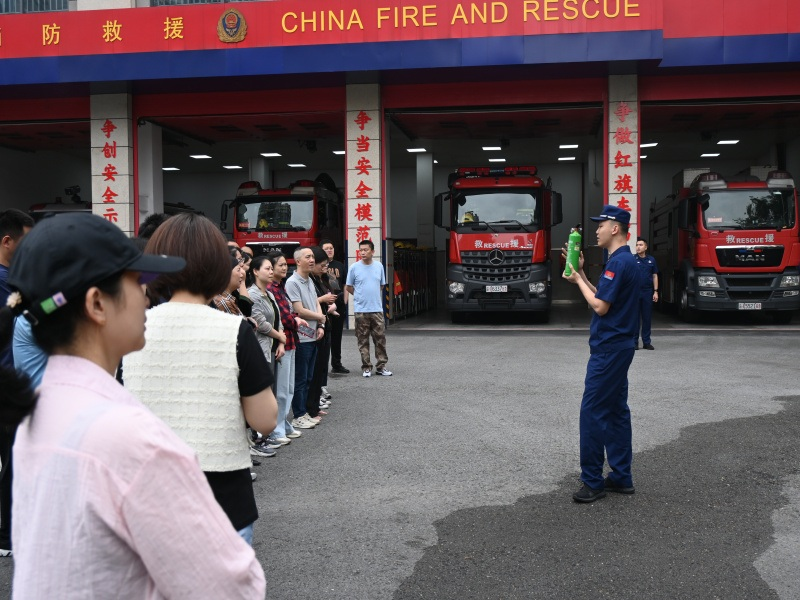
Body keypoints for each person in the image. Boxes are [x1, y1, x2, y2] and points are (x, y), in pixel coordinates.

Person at [0, 212, 267, 597]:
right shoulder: (128, 436)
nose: (146, 293)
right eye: (136, 281)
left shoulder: (39, 410)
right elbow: (228, 584)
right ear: (97, 304)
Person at [124, 213, 278, 545]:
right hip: (221, 496)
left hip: (147, 494)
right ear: (217, 265)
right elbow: (265, 420)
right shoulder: (234, 329)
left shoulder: (132, 326)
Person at [562, 205, 640, 503]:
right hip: (619, 347)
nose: (596, 230)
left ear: (615, 228)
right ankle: (621, 477)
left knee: (592, 411)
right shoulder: (622, 261)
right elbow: (603, 295)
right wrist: (581, 272)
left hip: (609, 349)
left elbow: (600, 307)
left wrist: (577, 280)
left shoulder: (618, 264)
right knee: (617, 411)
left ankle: (593, 482)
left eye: (601, 225)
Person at [0, 209, 33, 559]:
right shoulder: (7, 283)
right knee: (12, 462)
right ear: (7, 241)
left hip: (14, 379)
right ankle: (8, 533)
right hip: (10, 382)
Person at [266, 251, 308, 442]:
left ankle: (283, 423)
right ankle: (276, 429)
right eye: (279, 265)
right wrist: (295, 319)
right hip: (281, 342)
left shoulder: (280, 286)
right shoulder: (271, 288)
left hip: (290, 341)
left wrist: (294, 318)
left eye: (285, 264)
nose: (284, 268)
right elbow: (284, 316)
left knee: (288, 388)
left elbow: (287, 312)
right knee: (281, 390)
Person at [285, 247, 326, 430]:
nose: (312, 260)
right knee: (300, 379)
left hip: (313, 334)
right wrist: (320, 317)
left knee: (309, 377)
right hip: (301, 337)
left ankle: (306, 412)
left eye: (312, 257)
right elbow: (299, 310)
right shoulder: (292, 282)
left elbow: (316, 301)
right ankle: (298, 415)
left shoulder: (309, 279)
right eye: (307, 257)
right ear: (298, 261)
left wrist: (321, 323)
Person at [345, 239, 391, 377]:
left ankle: (381, 366)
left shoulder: (379, 266)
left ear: (373, 252)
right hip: (361, 311)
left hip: (377, 309)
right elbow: (348, 287)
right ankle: (366, 366)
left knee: (380, 339)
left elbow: (382, 286)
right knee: (362, 339)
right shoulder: (354, 267)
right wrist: (359, 296)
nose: (363, 252)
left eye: (366, 250)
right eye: (361, 250)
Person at [307, 246, 338, 419]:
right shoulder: (306, 281)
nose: (325, 267)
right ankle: (311, 405)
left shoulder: (321, 279)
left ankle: (316, 400)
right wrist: (324, 300)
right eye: (322, 264)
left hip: (325, 325)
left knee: (320, 368)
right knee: (313, 369)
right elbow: (305, 304)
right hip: (314, 328)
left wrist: (330, 307)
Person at [322, 239, 350, 374]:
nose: (329, 250)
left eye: (331, 248)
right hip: (324, 306)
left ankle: (337, 364)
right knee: (324, 336)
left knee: (337, 336)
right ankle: (322, 366)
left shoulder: (339, 265)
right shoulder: (319, 266)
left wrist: (344, 301)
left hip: (338, 304)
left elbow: (345, 284)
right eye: (326, 248)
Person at [634, 236, 659, 350]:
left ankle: (646, 342)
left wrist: (655, 291)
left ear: (646, 247)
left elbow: (654, 275)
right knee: (635, 318)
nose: (638, 247)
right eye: (637, 245)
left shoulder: (651, 260)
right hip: (635, 292)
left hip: (647, 291)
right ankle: (634, 342)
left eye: (640, 245)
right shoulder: (632, 259)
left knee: (647, 317)